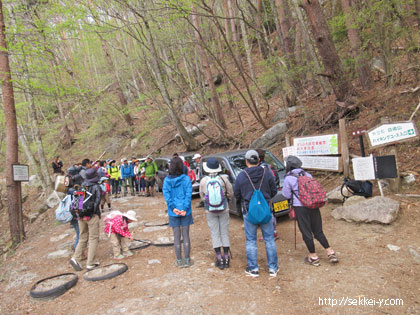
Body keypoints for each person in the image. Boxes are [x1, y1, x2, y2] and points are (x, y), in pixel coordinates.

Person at [281, 155, 339, 266]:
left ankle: (313, 256)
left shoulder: (289, 178)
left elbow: (286, 194)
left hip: (300, 208)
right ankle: (330, 251)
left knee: (306, 232)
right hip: (313, 205)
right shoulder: (307, 175)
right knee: (318, 231)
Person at [234, 150, 279, 278]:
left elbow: (237, 194)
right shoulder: (267, 172)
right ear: (259, 160)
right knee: (269, 239)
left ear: (246, 161)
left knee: (251, 240)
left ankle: (253, 269)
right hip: (265, 211)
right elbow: (274, 190)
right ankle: (272, 268)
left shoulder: (241, 176)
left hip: (249, 212)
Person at [199, 158, 233, 269]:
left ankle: (219, 258)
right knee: (224, 232)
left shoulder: (204, 181)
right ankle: (227, 258)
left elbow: (202, 196)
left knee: (215, 233)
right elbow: (230, 191)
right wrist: (227, 199)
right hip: (224, 208)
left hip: (210, 211)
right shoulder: (223, 179)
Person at [162, 156, 193, 268]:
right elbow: (188, 195)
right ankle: (187, 260)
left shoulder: (167, 180)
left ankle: (179, 261)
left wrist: (173, 208)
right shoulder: (186, 179)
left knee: (176, 237)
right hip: (186, 211)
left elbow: (167, 195)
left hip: (173, 212)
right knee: (186, 235)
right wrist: (184, 208)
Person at [69, 168, 102, 271]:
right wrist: (91, 213)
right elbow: (97, 202)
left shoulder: (82, 186)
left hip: (80, 216)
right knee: (93, 238)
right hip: (91, 216)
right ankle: (90, 263)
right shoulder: (96, 187)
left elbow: (78, 201)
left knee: (83, 237)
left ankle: (76, 258)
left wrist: (81, 214)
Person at [256, 149, 279, 242]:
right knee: (271, 212)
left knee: (266, 214)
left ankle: (269, 234)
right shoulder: (269, 166)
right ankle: (274, 232)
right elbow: (276, 180)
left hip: (263, 194)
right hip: (269, 193)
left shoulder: (260, 169)